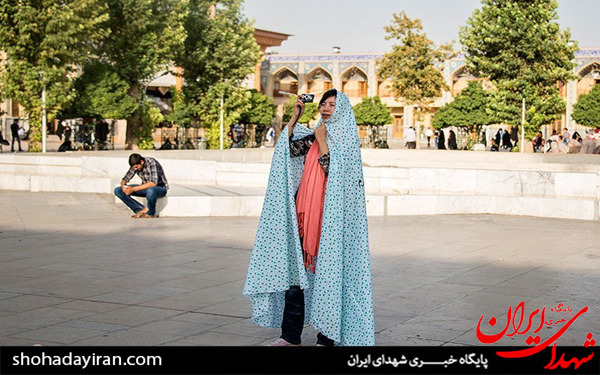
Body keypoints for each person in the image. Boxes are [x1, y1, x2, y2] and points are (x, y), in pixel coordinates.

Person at [243, 89, 374, 347]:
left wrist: (323, 141)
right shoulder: (315, 135)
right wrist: (294, 119)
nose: (325, 109)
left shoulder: (346, 140)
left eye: (332, 105)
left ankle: (327, 336)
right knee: (296, 276)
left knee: (330, 275)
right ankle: (290, 335)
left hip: (330, 221)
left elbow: (335, 174)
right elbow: (289, 151)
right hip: (304, 214)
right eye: (324, 104)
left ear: (343, 110)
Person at [113, 153, 169, 218]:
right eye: (134, 168)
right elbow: (125, 179)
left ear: (141, 162)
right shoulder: (135, 166)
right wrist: (123, 186)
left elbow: (153, 183)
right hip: (145, 188)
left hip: (159, 188)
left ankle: (150, 213)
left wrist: (133, 189)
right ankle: (140, 210)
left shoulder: (152, 162)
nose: (136, 169)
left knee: (150, 190)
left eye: (137, 167)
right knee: (118, 190)